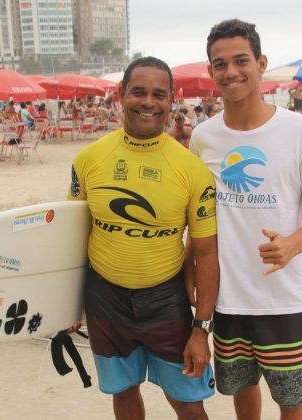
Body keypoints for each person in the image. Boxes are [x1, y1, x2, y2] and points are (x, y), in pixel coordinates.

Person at [189, 19, 302, 420]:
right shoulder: (203, 137)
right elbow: (202, 219)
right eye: (220, 64)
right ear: (210, 72)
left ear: (260, 63)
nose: (231, 72)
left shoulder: (299, 129)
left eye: (241, 60)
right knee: (243, 391)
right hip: (229, 297)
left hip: (284, 298)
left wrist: (293, 243)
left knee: (292, 399)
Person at [67, 56, 219, 420]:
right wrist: (65, 305)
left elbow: (207, 253)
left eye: (158, 94)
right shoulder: (88, 160)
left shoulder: (192, 170)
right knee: (123, 390)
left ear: (171, 99)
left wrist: (202, 330)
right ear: (121, 95)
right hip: (104, 298)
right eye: (138, 92)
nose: (148, 102)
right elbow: (71, 238)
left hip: (166, 299)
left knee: (187, 401)